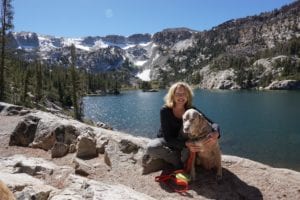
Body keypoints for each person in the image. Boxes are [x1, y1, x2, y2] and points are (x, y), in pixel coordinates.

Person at [143, 82, 220, 170]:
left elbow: (212, 123)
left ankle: (181, 159)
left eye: (184, 94)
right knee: (151, 148)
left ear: (188, 96)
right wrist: (186, 144)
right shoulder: (165, 110)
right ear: (172, 95)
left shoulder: (191, 110)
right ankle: (174, 159)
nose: (181, 96)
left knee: (191, 158)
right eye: (178, 94)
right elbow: (167, 137)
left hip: (185, 141)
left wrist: (216, 132)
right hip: (167, 140)